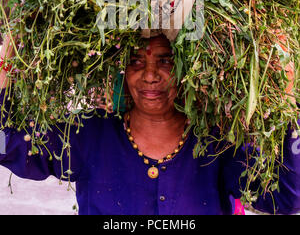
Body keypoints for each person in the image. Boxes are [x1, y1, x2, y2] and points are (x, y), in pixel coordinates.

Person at [0, 33, 300, 215]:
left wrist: (286, 105)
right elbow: (7, 143)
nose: (150, 76)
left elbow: (287, 198)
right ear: (122, 71)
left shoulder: (218, 139)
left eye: (166, 62)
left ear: (189, 70)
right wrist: (8, 63)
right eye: (136, 62)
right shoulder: (89, 134)